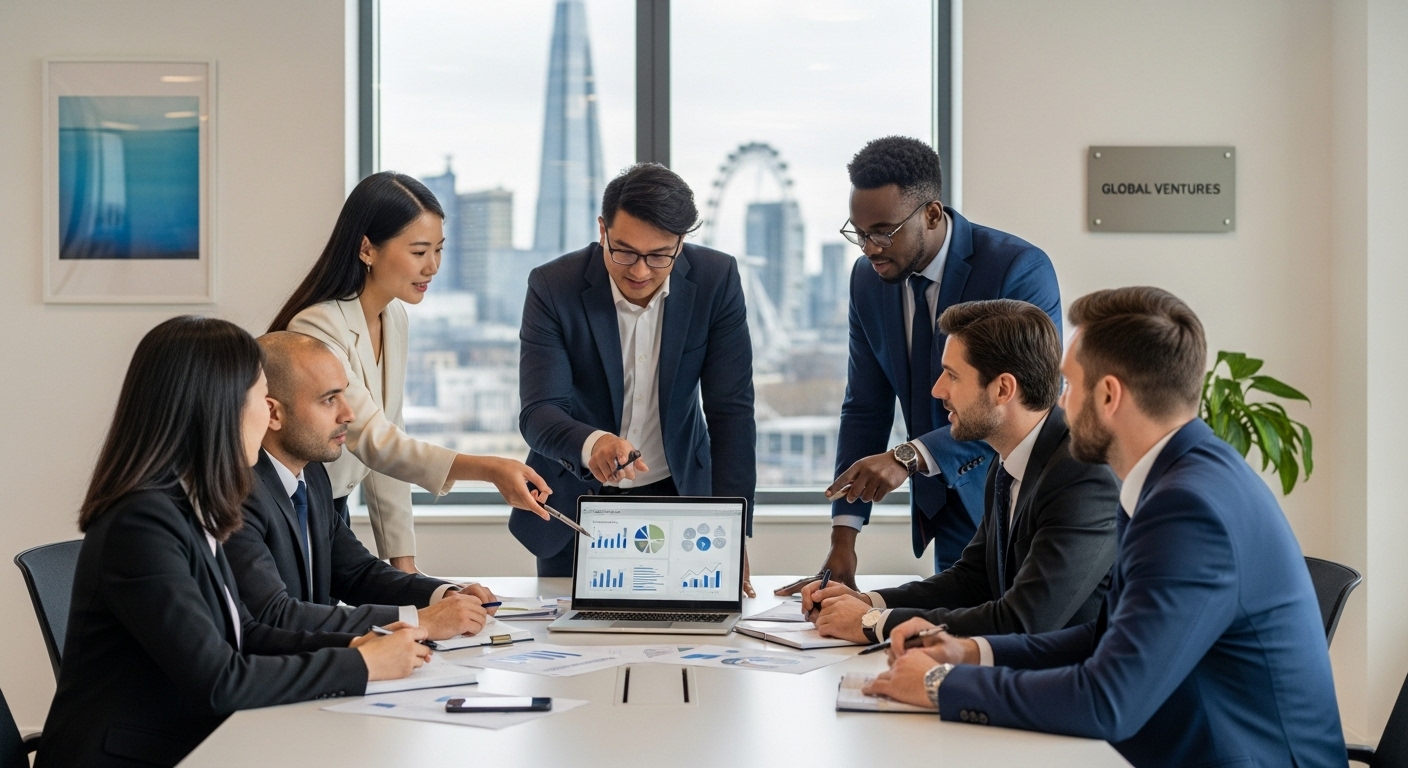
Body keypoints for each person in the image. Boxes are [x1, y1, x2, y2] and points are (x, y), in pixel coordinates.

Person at [864, 287, 1343, 767]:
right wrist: (971, 651)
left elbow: (1106, 701)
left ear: (1109, 395)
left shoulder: (1188, 508)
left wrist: (941, 685)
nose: (1059, 403)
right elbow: (1104, 636)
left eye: (1068, 386)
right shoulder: (1173, 478)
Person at [37, 316, 429, 768]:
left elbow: (247, 634)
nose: (268, 414)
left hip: (190, 742)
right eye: (258, 398)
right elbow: (220, 680)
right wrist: (362, 667)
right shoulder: (142, 523)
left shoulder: (188, 504)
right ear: (217, 409)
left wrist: (358, 648)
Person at [778, 136, 1061, 595]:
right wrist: (844, 538)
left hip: (1016, 499)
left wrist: (909, 457)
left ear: (931, 214)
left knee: (1011, 635)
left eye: (883, 232)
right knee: (948, 632)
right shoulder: (867, 282)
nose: (869, 248)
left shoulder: (1016, 268)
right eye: (859, 232)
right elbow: (865, 406)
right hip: (943, 507)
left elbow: (1027, 402)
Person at [269, 171, 553, 574]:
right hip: (295, 506)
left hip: (332, 508)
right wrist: (488, 469)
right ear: (367, 248)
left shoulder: (394, 317)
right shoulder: (318, 327)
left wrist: (405, 569)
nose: (433, 266)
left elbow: (389, 443)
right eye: (419, 252)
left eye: (438, 250)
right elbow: (373, 440)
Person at [801, 299, 1118, 643]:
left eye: (952, 375)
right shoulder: (1007, 458)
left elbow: (1022, 621)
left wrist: (873, 622)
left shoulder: (1083, 474)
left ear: (1002, 389)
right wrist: (867, 601)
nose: (938, 390)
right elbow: (973, 579)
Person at [516, 163, 756, 590]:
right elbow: (539, 412)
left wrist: (731, 526)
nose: (640, 271)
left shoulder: (716, 280)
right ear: (602, 229)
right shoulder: (554, 286)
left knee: (689, 644)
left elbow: (731, 412)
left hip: (678, 497)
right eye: (623, 251)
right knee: (571, 647)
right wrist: (594, 444)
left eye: (659, 255)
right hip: (574, 500)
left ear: (682, 243)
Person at [224, 331, 500, 638]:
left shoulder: (312, 473)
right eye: (329, 399)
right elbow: (275, 615)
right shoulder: (236, 492)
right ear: (274, 413)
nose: (349, 414)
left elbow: (356, 573)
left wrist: (443, 595)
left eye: (344, 394)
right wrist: (419, 621)